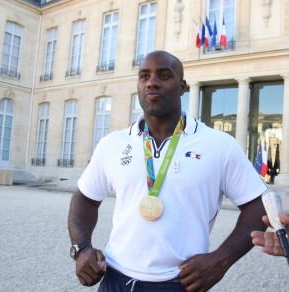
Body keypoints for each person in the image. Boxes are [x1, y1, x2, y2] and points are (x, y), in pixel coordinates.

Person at [68, 50, 268, 292]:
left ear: (182, 86)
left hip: (181, 283)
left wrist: (221, 260)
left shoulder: (219, 145)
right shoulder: (112, 144)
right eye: (144, 76)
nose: (152, 82)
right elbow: (85, 197)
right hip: (115, 280)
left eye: (164, 75)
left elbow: (258, 204)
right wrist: (81, 247)